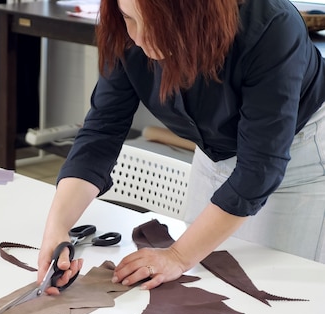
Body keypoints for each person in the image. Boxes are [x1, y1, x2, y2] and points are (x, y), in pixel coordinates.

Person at [37, 0, 325, 293]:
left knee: (276, 288)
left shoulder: (272, 27)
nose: (138, 37)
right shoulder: (125, 30)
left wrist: (178, 255)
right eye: (128, 18)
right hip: (215, 152)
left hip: (299, 158)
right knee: (204, 284)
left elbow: (259, 168)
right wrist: (57, 227)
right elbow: (101, 132)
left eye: (155, 24)